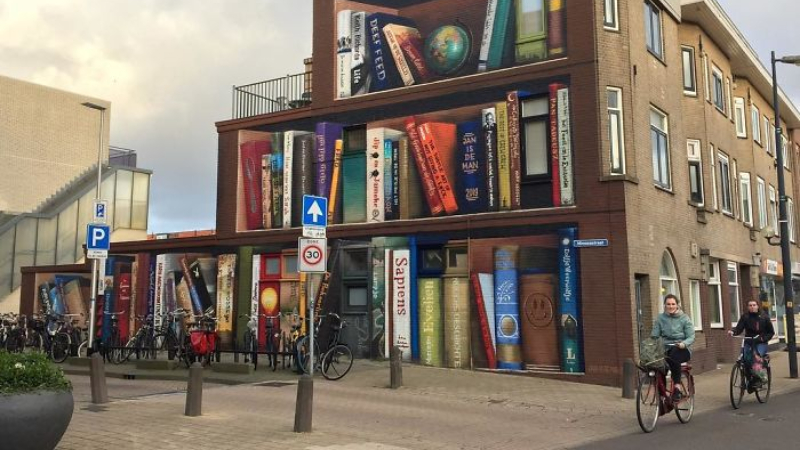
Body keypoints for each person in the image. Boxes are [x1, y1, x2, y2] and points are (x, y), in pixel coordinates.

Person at [651, 294, 695, 399]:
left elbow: (691, 336)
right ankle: (662, 393)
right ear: (665, 305)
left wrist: (683, 344)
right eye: (668, 304)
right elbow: (655, 335)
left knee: (673, 357)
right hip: (666, 348)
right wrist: (653, 341)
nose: (671, 306)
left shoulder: (684, 318)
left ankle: (677, 388)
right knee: (658, 365)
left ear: (677, 305)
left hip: (682, 349)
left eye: (673, 304)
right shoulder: (660, 318)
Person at [728, 299, 775, 384]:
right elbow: (739, 328)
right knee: (744, 359)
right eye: (750, 305)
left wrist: (762, 338)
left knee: (756, 358)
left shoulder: (764, 317)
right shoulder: (745, 317)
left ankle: (761, 376)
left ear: (757, 306)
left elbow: (771, 332)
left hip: (760, 342)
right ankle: (749, 378)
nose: (752, 307)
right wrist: (733, 332)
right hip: (749, 341)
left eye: (754, 305)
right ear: (748, 307)